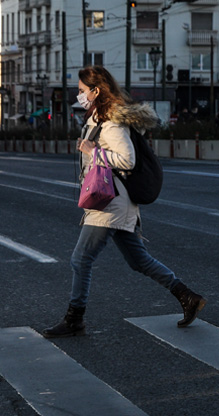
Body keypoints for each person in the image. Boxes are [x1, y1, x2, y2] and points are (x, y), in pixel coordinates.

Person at [42, 65, 207, 339]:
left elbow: (127, 160)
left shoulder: (111, 123)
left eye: (82, 91)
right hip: (114, 201)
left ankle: (74, 319)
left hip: (110, 204)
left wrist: (94, 151)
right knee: (138, 260)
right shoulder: (97, 119)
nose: (79, 95)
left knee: (81, 259)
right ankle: (187, 296)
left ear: (95, 91)